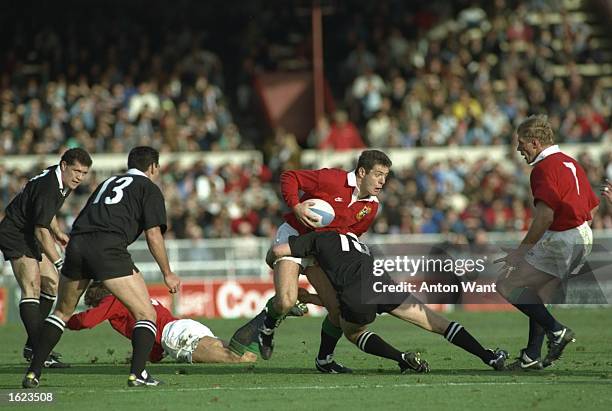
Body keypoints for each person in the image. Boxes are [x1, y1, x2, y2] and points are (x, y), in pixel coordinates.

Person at [22, 146, 181, 389]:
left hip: (78, 244)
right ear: (153, 167)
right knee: (146, 314)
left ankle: (33, 372)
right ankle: (138, 374)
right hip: (108, 248)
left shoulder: (109, 182)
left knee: (61, 312)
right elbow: (153, 235)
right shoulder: (148, 188)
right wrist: (167, 273)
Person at [231, 150, 392, 374]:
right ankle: (267, 327)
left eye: (385, 175)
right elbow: (290, 177)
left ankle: (324, 360)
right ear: (362, 172)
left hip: (318, 250)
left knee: (336, 311)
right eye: (378, 174)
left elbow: (351, 234)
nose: (383, 181)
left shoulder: (372, 206)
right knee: (287, 301)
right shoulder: (333, 179)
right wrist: (296, 206)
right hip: (294, 237)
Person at [270, 230, 508, 372]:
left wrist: (274, 264)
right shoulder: (355, 241)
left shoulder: (316, 239)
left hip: (357, 291)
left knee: (352, 331)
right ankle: (488, 356)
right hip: (382, 282)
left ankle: (401, 359)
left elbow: (281, 251)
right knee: (436, 322)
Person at [495, 115, 599, 370]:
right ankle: (531, 356)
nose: (519, 149)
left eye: (521, 143)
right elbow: (592, 209)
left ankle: (557, 331)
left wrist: (521, 252)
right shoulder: (570, 162)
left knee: (507, 284)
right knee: (537, 293)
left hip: (563, 236)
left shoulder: (543, 168)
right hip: (582, 234)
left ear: (534, 142)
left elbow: (545, 215)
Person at [0, 148, 92, 368]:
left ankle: (33, 347)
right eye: (76, 171)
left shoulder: (61, 181)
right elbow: (41, 230)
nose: (79, 177)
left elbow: (45, 214)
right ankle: (40, 351)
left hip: (29, 232)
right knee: (31, 286)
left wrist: (58, 232)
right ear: (63, 165)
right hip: (15, 233)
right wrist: (60, 262)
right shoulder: (49, 186)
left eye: (84, 173)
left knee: (51, 284)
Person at [67, 282, 256, 364]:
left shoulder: (115, 299)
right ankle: (249, 343)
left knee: (235, 359)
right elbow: (152, 342)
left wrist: (61, 320)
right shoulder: (137, 297)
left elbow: (86, 320)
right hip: (185, 328)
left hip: (175, 337)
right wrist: (149, 357)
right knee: (237, 353)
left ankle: (255, 327)